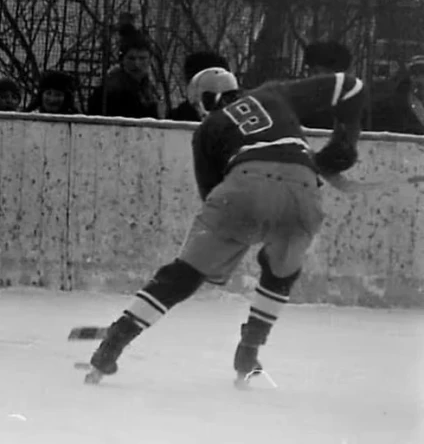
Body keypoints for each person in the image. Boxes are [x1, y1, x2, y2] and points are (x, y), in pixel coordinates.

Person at [80, 67, 366, 387]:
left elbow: (212, 196)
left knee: (182, 275)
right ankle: (249, 351)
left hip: (243, 185)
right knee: (280, 271)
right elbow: (352, 87)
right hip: (303, 187)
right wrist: (344, 143)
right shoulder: (273, 92)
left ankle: (113, 344)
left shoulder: (206, 130)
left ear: (203, 100)